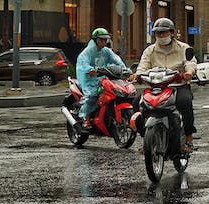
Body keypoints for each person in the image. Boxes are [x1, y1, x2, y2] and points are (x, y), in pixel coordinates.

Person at [133, 17, 198, 152]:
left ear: (172, 33)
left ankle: (189, 138)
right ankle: (146, 137)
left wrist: (189, 72)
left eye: (164, 32)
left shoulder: (183, 48)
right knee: (136, 104)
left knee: (185, 102)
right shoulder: (149, 50)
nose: (161, 36)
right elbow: (143, 65)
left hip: (178, 86)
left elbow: (190, 62)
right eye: (158, 33)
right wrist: (137, 75)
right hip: (156, 87)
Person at [76, 27, 126, 130]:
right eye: (101, 40)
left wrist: (125, 69)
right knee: (92, 96)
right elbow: (83, 63)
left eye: (105, 39)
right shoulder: (87, 52)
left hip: (103, 78)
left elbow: (117, 60)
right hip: (89, 80)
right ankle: (86, 118)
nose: (103, 42)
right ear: (95, 40)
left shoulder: (107, 51)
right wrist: (90, 69)